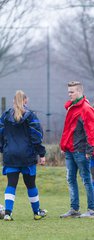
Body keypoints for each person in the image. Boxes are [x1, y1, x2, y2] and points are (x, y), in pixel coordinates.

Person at [0, 90, 47, 221]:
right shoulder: (31, 116)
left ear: (13, 101)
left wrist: (3, 149)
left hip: (11, 156)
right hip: (27, 156)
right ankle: (37, 212)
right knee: (31, 185)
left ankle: (8, 213)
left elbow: (0, 134)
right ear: (25, 100)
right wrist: (41, 153)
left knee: (11, 184)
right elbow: (37, 136)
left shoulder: (5, 116)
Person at [59, 81, 94, 218]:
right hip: (70, 151)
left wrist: (89, 151)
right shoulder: (72, 108)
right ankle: (74, 209)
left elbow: (93, 132)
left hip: (81, 151)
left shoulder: (86, 109)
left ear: (79, 92)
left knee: (86, 180)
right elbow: (68, 130)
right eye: (68, 92)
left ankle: (92, 210)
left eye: (71, 92)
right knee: (71, 179)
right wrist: (64, 146)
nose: (69, 94)